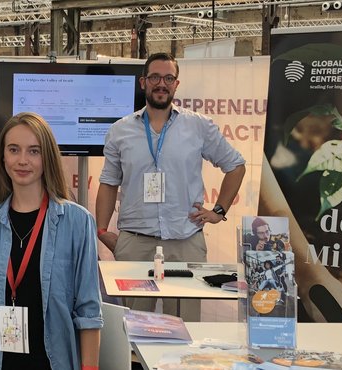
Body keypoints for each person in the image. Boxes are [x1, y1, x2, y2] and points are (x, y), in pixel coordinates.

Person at [96, 52, 246, 320]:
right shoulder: (120, 131)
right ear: (143, 82)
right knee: (134, 327)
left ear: (176, 84)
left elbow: (235, 166)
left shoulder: (198, 126)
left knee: (185, 327)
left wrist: (219, 210)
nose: (161, 84)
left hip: (185, 241)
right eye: (154, 77)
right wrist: (102, 230)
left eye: (168, 78)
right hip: (135, 243)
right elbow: (108, 182)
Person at [0, 112, 101, 370]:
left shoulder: (77, 222)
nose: (23, 160)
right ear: (3, 157)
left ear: (46, 157)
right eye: (14, 150)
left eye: (34, 151)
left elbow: (89, 312)